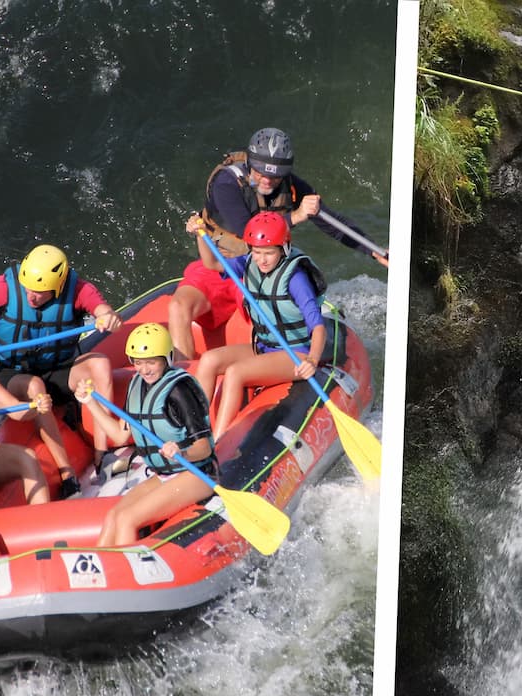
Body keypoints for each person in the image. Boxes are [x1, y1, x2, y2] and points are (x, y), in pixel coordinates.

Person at [168, 126, 388, 361]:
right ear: (251, 162)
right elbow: (247, 230)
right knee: (178, 307)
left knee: (265, 321)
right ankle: (184, 381)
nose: (267, 180)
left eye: (274, 175)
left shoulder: (290, 185)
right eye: (261, 172)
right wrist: (296, 216)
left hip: (263, 268)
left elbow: (329, 221)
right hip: (222, 263)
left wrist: (372, 250)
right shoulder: (226, 183)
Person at [0, 244, 123, 496]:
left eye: (40, 292)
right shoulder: (4, 288)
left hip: (58, 368)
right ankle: (67, 473)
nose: (31, 296)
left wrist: (107, 316)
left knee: (99, 362)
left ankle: (103, 455)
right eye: (28, 289)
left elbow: (103, 310)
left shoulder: (77, 290)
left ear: (57, 286)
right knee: (35, 386)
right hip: (13, 374)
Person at [74, 323, 218, 548]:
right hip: (163, 473)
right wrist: (90, 402)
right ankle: (98, 574)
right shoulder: (137, 386)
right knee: (113, 517)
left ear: (167, 358)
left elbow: (204, 448)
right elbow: (120, 437)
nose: (144, 369)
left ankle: (124, 579)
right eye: (138, 362)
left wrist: (183, 452)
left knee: (127, 519)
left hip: (196, 473)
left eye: (152, 361)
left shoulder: (180, 391)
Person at [191, 211, 328, 442]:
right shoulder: (248, 263)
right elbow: (211, 262)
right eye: (257, 252)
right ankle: (197, 435)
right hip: (265, 345)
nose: (262, 259)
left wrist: (313, 360)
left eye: (269, 253)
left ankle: (218, 443)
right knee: (209, 360)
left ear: (283, 249)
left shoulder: (295, 279)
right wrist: (199, 234)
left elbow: (318, 326)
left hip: (296, 352)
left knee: (236, 373)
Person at [0, 366, 53, 556]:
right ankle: (0, 561)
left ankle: (42, 538)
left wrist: (36, 407)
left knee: (27, 458)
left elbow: (14, 409)